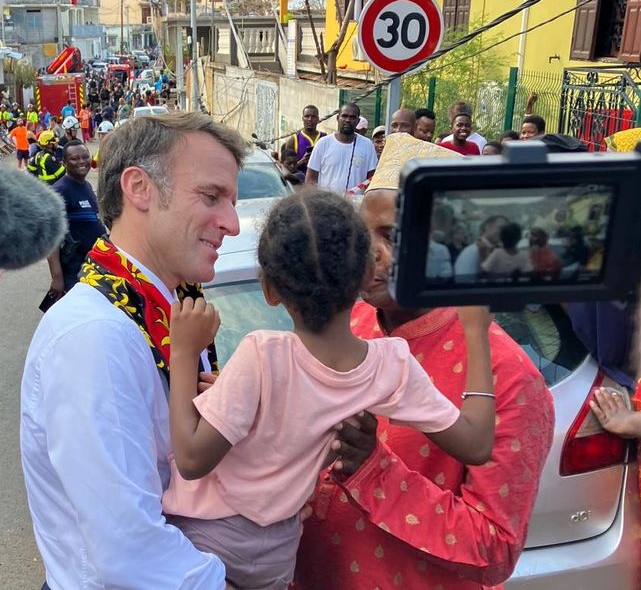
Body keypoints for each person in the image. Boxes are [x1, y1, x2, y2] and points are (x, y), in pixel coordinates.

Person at [164, 189, 496, 589]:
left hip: (211, 538)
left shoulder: (262, 353)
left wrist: (183, 353)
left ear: (270, 290)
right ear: (362, 277)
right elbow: (477, 444)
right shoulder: (390, 365)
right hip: (277, 552)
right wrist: (476, 332)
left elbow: (192, 459)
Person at [294, 136, 555, 589]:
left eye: (391, 237)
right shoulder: (347, 321)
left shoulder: (506, 376)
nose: (367, 254)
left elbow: (494, 548)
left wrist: (373, 468)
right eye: (362, 234)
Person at [20, 113, 248, 589]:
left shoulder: (168, 308)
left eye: (232, 202)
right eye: (211, 197)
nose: (232, 224)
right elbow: (128, 551)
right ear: (139, 188)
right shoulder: (96, 336)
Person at [46, 141, 108, 295]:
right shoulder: (60, 191)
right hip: (74, 273)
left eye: (85, 157)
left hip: (92, 268)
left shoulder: (86, 186)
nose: (81, 161)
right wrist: (57, 277)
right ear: (64, 163)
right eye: (75, 159)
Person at [305, 103, 377, 193]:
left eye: (352, 117)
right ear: (337, 118)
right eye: (344, 116)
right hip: (327, 203)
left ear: (358, 121)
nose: (348, 120)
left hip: (356, 204)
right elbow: (311, 179)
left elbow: (372, 180)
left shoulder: (367, 145)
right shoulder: (323, 143)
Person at [454, 215, 508, 279]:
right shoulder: (472, 251)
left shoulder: (498, 251)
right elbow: (464, 280)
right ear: (488, 227)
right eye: (500, 228)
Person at [282, 105, 327, 170]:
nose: (310, 119)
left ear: (318, 119)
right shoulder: (293, 140)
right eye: (307, 116)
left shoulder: (324, 138)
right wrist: (302, 161)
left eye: (313, 117)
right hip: (300, 179)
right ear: (302, 118)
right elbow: (285, 168)